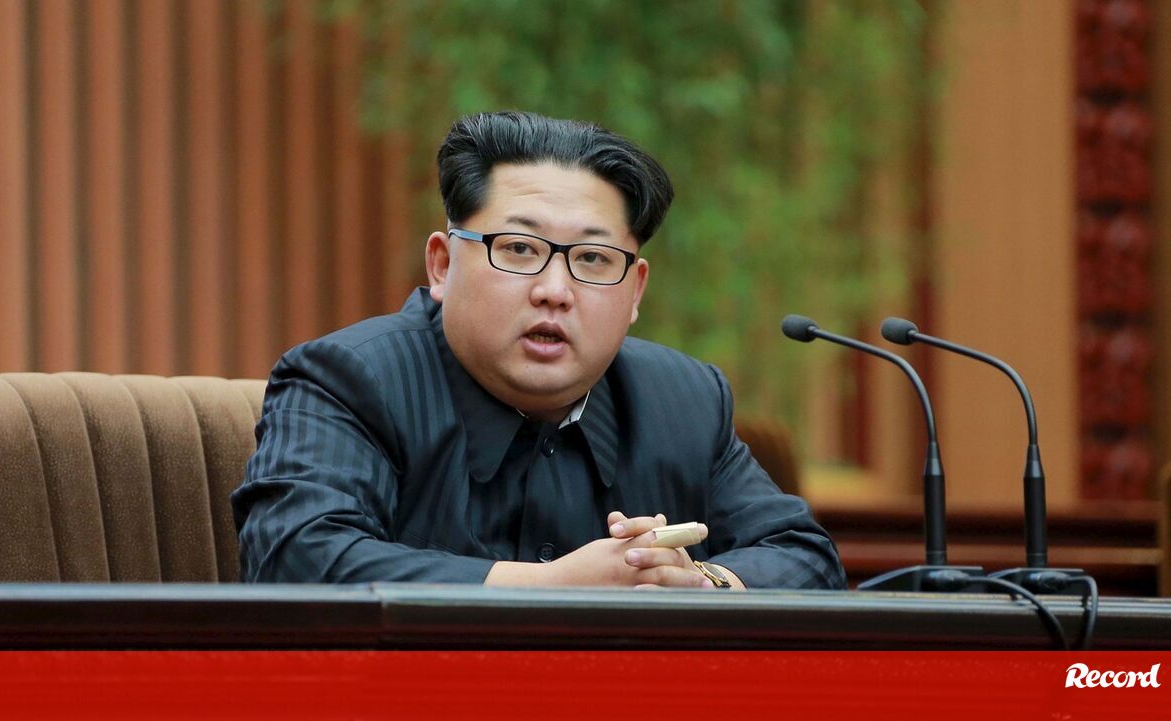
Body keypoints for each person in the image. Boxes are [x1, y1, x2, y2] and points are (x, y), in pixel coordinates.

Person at [232, 111, 845, 590]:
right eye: (519, 249)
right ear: (442, 265)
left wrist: (698, 581)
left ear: (634, 291)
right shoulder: (348, 379)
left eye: (593, 259)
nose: (555, 291)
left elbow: (805, 558)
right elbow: (296, 557)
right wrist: (551, 587)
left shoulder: (684, 400)